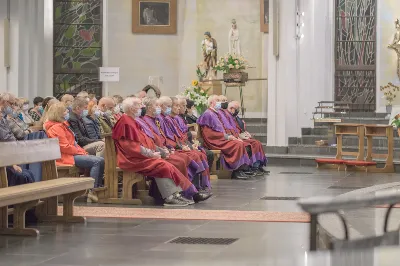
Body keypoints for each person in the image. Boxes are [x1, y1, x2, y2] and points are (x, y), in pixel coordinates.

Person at [113, 97, 199, 206]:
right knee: (161, 165)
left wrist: (157, 151)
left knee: (165, 163)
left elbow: (145, 142)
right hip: (131, 159)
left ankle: (179, 193)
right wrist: (152, 154)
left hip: (139, 156)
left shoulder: (131, 121)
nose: (142, 107)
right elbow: (131, 148)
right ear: (131, 108)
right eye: (139, 105)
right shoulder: (125, 123)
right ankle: (170, 197)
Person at [140, 97, 212, 199]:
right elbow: (147, 141)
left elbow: (166, 137)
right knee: (182, 160)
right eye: (157, 105)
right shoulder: (146, 121)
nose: (159, 108)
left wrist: (171, 148)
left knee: (193, 155)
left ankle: (193, 190)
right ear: (149, 108)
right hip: (153, 153)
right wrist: (166, 149)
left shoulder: (156, 119)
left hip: (164, 149)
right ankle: (185, 193)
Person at [44, 102, 104, 202]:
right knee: (97, 161)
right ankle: (92, 190)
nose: (68, 111)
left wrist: (82, 151)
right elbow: (64, 147)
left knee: (99, 160)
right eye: (65, 110)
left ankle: (95, 188)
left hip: (70, 154)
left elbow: (73, 143)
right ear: (59, 113)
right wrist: (80, 152)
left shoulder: (62, 125)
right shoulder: (56, 128)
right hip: (64, 157)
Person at [159, 96, 212, 190]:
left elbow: (178, 136)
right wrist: (181, 147)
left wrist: (188, 145)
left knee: (200, 153)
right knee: (191, 156)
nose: (178, 108)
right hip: (168, 149)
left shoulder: (171, 119)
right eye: (175, 105)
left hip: (174, 146)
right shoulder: (164, 119)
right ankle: (190, 189)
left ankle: (199, 186)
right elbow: (166, 138)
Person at [197, 95, 253, 179]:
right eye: (218, 101)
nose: (220, 103)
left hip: (220, 139)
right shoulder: (208, 114)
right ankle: (236, 171)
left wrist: (231, 136)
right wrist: (227, 137)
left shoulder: (215, 113)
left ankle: (240, 170)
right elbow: (209, 134)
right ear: (211, 103)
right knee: (238, 145)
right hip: (214, 141)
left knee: (240, 143)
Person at [222, 98, 268, 175]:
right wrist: (237, 136)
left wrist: (244, 133)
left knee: (256, 143)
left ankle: (256, 166)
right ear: (232, 108)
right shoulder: (225, 116)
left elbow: (238, 128)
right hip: (229, 138)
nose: (238, 110)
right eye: (237, 109)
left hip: (237, 136)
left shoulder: (232, 117)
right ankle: (241, 169)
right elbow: (225, 130)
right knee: (244, 144)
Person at [0, 92, 36, 186]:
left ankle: (30, 199)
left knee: (28, 174)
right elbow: (6, 138)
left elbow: (10, 135)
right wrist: (12, 163)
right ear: (4, 102)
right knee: (21, 176)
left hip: (6, 157)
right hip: (4, 159)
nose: (12, 107)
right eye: (11, 104)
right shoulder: (3, 119)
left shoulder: (3, 118)